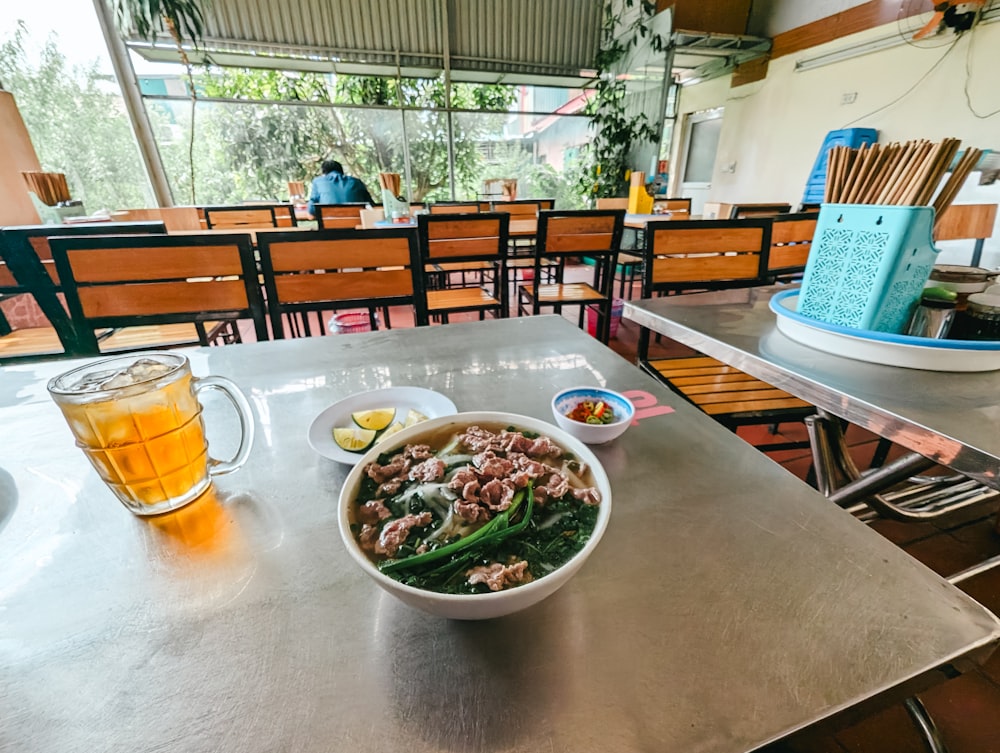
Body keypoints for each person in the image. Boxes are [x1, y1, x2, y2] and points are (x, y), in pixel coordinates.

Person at [308, 160, 374, 216]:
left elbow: (311, 209)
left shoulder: (318, 182)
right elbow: (371, 205)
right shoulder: (356, 182)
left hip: (329, 228)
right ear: (341, 171)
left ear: (324, 173)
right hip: (356, 227)